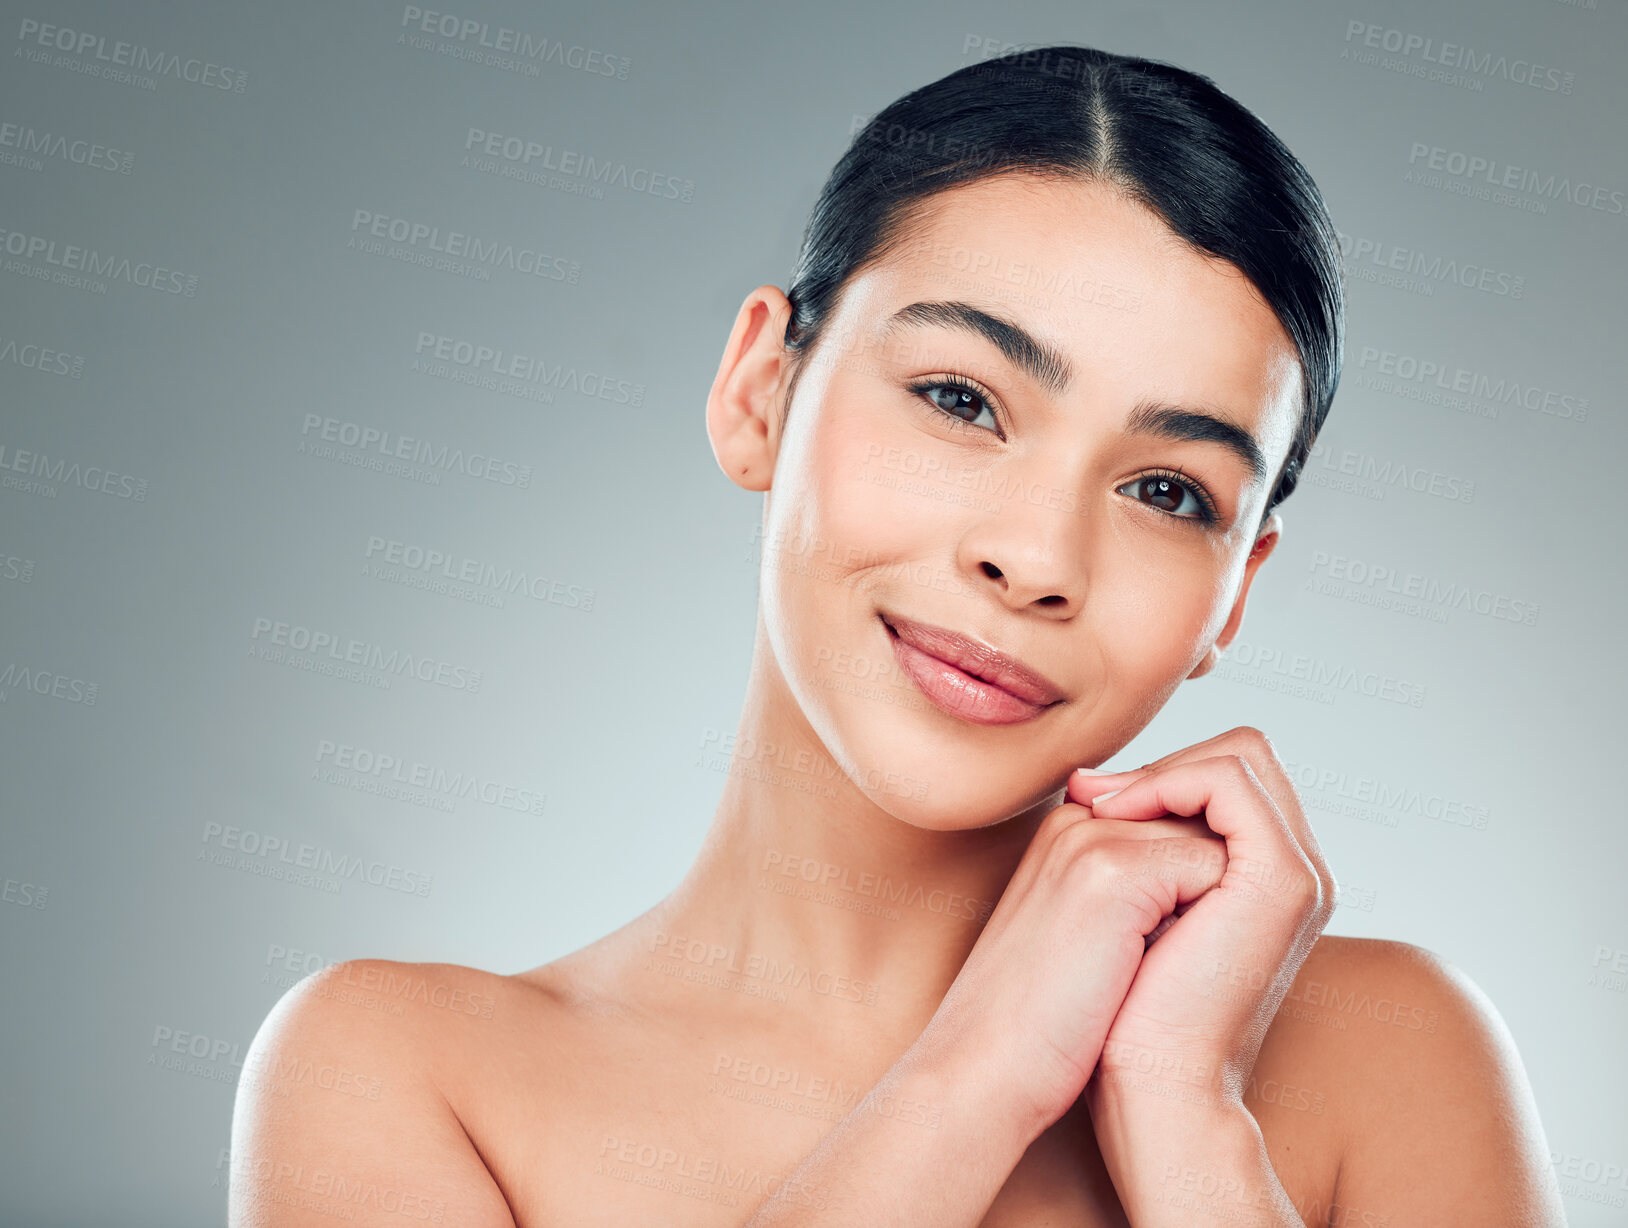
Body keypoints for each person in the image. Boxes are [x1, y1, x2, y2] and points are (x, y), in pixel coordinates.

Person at [228, 46, 1566, 1227]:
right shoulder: (402, 1076)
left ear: (1237, 590)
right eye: (961, 398)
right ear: (762, 388)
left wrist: (1190, 1124)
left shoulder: (1395, 1062)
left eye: (1168, 492)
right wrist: (978, 1073)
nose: (1035, 560)